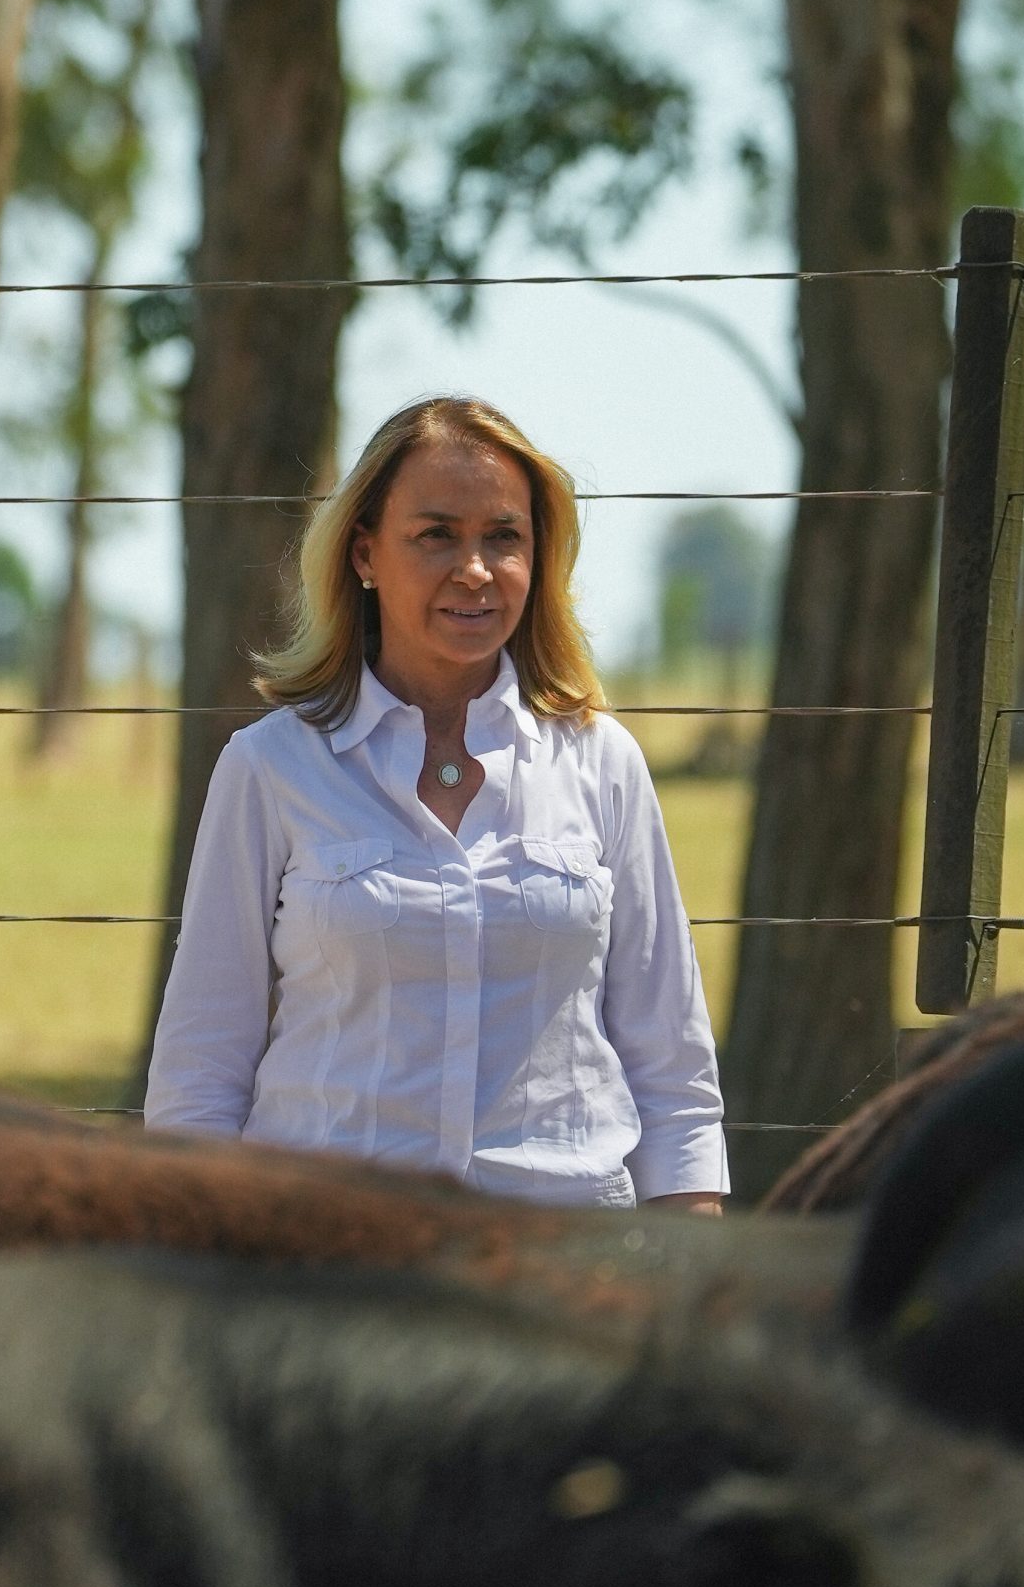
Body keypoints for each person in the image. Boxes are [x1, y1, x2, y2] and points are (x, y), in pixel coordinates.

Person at [145, 395, 727, 1211]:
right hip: (329, 1260)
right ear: (365, 554)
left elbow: (672, 1069)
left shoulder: (602, 763)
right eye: (436, 535)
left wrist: (679, 1288)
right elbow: (202, 1067)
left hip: (564, 1271)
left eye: (504, 536)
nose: (477, 569)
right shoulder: (271, 767)